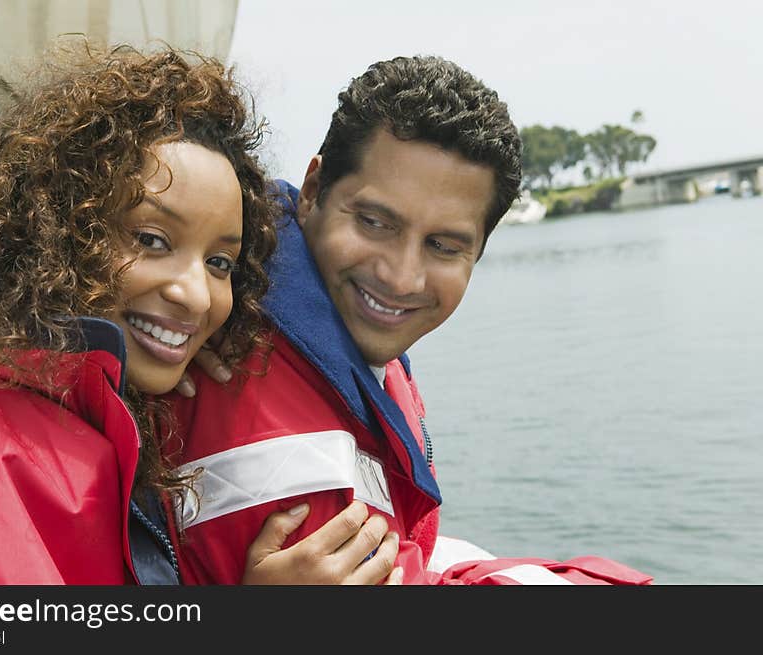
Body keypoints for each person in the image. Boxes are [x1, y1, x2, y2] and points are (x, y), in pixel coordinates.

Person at [0, 42, 401, 585]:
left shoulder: (99, 419)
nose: (197, 296)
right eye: (152, 240)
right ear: (52, 231)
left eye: (220, 262)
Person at [166, 55, 653, 585]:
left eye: (443, 247)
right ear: (311, 192)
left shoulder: (321, 328)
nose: (401, 278)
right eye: (375, 223)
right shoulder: (239, 387)